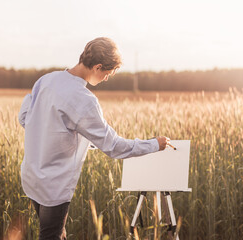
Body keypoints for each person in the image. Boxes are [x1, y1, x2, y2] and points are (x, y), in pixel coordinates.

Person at [18, 37, 168, 239]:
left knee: (55, 233)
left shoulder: (46, 80)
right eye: (108, 74)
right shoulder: (85, 100)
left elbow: (25, 118)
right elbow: (114, 147)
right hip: (54, 185)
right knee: (51, 235)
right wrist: (153, 145)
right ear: (98, 67)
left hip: (32, 177)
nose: (106, 79)